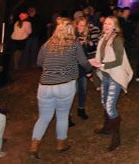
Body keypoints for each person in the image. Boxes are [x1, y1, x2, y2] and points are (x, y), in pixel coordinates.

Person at [29, 17, 92, 159]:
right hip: (65, 85)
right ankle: (60, 143)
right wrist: (90, 68)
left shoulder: (47, 44)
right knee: (62, 115)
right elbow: (84, 62)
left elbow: (39, 62)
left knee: (44, 117)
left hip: (45, 86)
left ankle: (34, 145)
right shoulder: (74, 44)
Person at [90, 16, 133, 151]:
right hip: (106, 75)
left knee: (109, 106)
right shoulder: (103, 38)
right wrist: (96, 64)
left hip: (115, 75)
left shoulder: (117, 39)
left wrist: (101, 64)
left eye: (110, 24)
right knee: (104, 102)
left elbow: (119, 61)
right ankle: (107, 127)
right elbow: (100, 57)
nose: (106, 26)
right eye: (105, 23)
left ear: (115, 26)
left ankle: (116, 138)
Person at [74, 16, 95, 119]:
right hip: (73, 67)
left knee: (83, 90)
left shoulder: (86, 35)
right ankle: (67, 115)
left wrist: (89, 43)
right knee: (72, 92)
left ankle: (81, 109)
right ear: (76, 24)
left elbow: (88, 51)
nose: (82, 27)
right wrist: (77, 43)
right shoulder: (72, 35)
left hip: (83, 67)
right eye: (80, 25)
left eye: (84, 25)